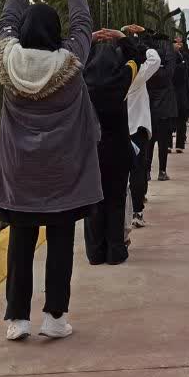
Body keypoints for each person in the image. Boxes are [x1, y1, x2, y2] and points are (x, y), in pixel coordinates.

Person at [0, 0, 102, 342]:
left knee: (21, 241)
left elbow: (6, 21)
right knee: (61, 240)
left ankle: (17, 319)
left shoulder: (7, 60)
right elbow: (82, 25)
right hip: (62, 173)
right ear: (57, 33)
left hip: (19, 174)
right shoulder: (71, 61)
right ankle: (55, 317)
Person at [84, 28, 142, 266]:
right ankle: (115, 251)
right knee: (116, 201)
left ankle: (95, 252)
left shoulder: (83, 79)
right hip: (118, 149)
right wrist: (122, 37)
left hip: (90, 150)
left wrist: (89, 39)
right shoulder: (122, 78)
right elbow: (137, 57)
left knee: (93, 201)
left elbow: (73, 57)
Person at [124, 25, 161, 229]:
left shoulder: (113, 72)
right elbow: (155, 58)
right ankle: (137, 211)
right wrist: (142, 39)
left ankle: (124, 213)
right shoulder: (138, 73)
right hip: (137, 129)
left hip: (117, 129)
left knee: (122, 174)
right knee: (138, 171)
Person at [146, 34, 178, 182]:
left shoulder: (149, 68)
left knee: (149, 142)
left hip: (150, 107)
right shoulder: (168, 62)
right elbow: (170, 72)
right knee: (163, 143)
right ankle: (162, 171)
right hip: (164, 108)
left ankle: (147, 171)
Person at [172, 36, 189, 153]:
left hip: (183, 93)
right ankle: (168, 144)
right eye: (176, 42)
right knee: (170, 121)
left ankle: (180, 144)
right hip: (172, 93)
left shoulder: (185, 56)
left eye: (180, 43)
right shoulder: (169, 56)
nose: (178, 44)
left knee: (181, 120)